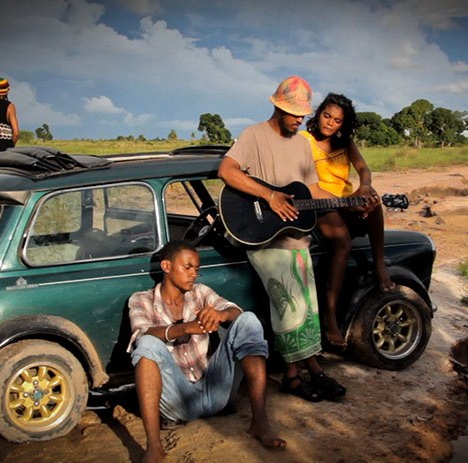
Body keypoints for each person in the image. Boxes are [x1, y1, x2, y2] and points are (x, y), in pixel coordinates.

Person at [218, 76, 346, 404]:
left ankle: (298, 375)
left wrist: (351, 198)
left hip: (295, 238)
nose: (300, 120)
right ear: (277, 105)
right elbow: (227, 171)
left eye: (303, 114)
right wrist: (270, 195)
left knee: (309, 308)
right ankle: (307, 373)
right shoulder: (253, 135)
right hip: (263, 239)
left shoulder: (303, 143)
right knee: (292, 306)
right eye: (294, 113)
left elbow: (312, 190)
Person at [128, 240, 285, 463]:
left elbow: (234, 311)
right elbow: (141, 334)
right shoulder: (141, 300)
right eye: (187, 267)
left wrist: (222, 315)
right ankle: (154, 447)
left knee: (247, 320)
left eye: (197, 269)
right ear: (166, 266)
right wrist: (185, 328)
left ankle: (260, 422)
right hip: (177, 402)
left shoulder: (201, 292)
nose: (194, 274)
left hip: (215, 391)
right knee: (146, 344)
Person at [301, 93, 395, 348]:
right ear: (318, 113)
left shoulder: (345, 142)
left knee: (374, 205)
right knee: (342, 242)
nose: (330, 123)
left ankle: (379, 265)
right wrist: (345, 203)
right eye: (327, 115)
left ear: (344, 124)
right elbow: (307, 187)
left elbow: (364, 169)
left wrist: (364, 189)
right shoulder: (303, 141)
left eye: (337, 120)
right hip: (320, 204)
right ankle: (330, 316)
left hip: (347, 200)